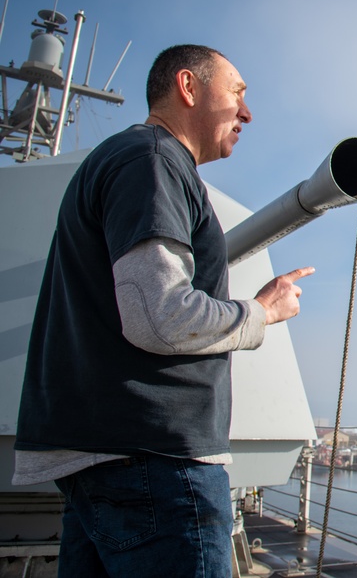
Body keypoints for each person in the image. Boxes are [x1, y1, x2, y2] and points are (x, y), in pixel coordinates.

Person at [13, 44, 314, 577]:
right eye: (238, 93)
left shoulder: (135, 159)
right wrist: (262, 312)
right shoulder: (152, 160)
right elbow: (161, 316)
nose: (247, 113)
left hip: (110, 461)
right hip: (155, 464)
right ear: (188, 87)